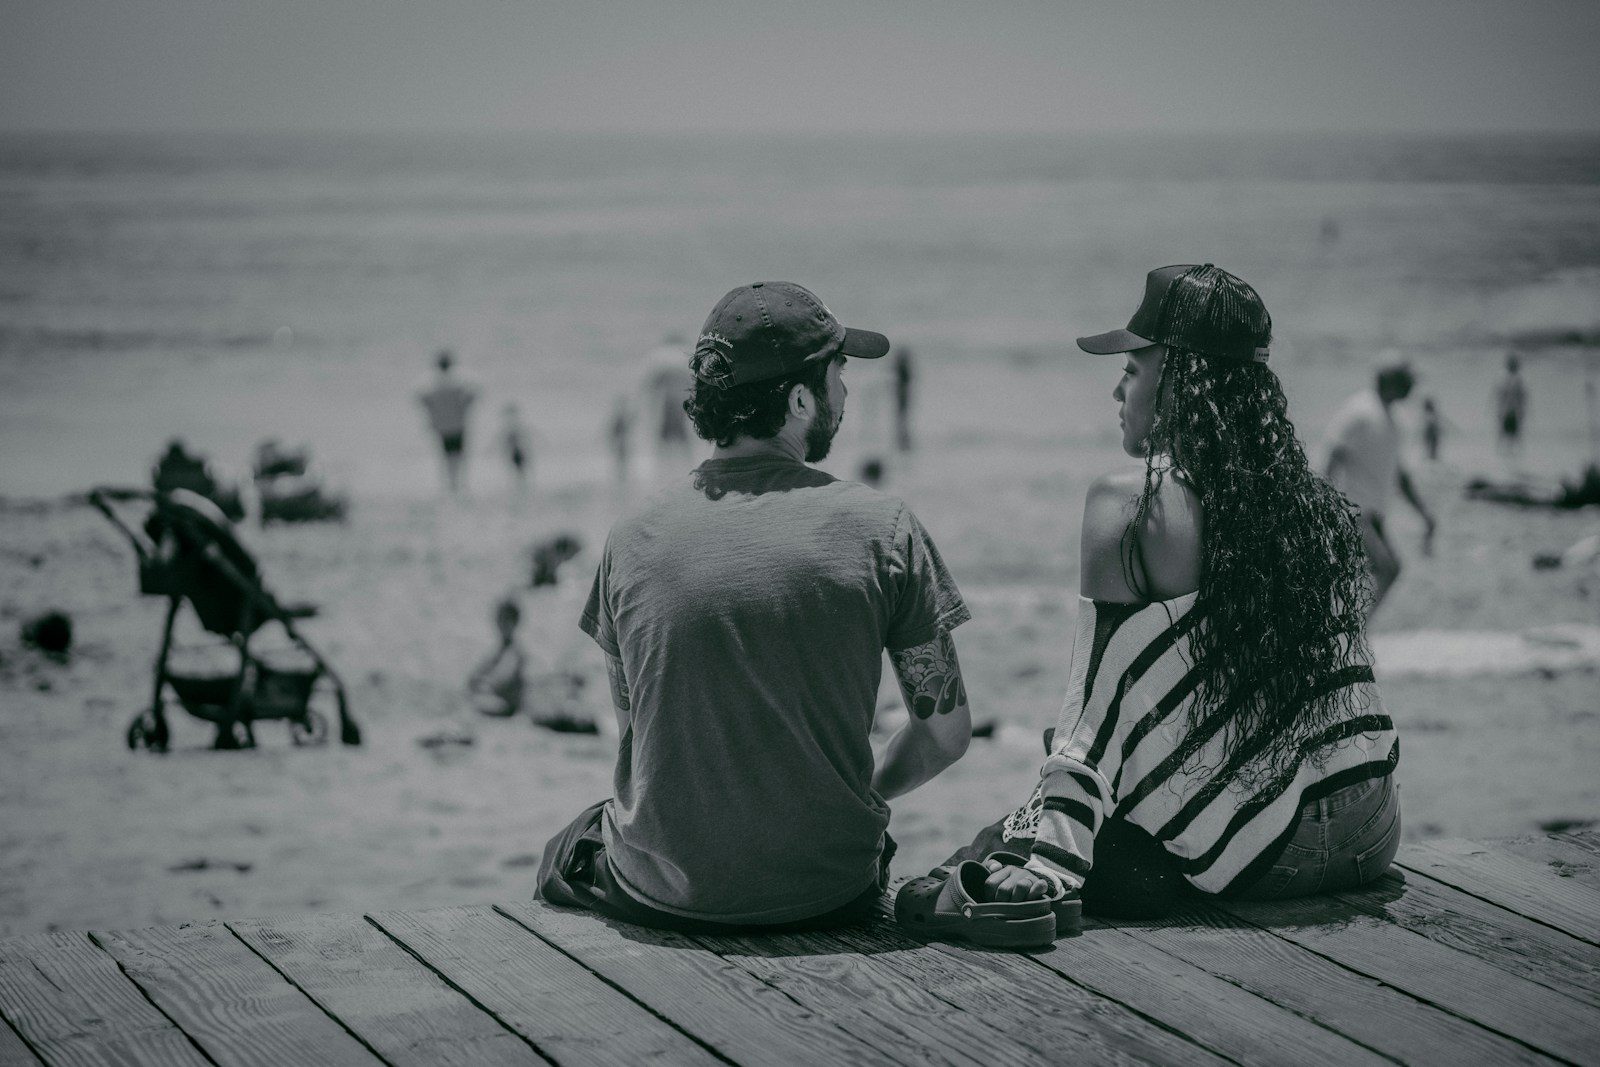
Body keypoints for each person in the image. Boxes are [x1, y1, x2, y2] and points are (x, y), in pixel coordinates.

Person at [912, 264, 1399, 932]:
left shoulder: (1128, 505)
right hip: (1373, 827)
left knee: (1027, 822)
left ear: (1177, 378)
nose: (1118, 389)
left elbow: (1093, 702)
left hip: (1271, 859)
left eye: (1132, 370)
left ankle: (976, 864)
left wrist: (1047, 853)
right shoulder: (1305, 507)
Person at [539, 281, 974, 932]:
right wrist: (848, 792)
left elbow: (638, 735)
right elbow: (946, 732)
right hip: (830, 888)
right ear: (800, 399)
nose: (847, 393)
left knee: (562, 853)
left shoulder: (630, 536)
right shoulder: (883, 527)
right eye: (838, 374)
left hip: (667, 892)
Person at [1325, 362, 1436, 610]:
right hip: (1354, 511)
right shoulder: (1360, 410)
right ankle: (1354, 633)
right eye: (1406, 380)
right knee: (1386, 570)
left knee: (1370, 573)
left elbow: (1399, 475)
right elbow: (1334, 456)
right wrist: (1327, 507)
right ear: (1390, 381)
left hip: (1374, 514)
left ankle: (1351, 634)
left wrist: (1424, 514)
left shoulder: (1393, 419)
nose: (1411, 386)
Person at [418, 350, 478, 494]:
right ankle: (460, 484)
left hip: (442, 426)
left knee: (446, 456)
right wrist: (464, 410)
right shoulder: (458, 382)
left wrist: (433, 414)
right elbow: (473, 395)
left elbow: (422, 399)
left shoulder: (433, 384)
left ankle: (450, 485)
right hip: (458, 424)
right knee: (459, 455)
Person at [467, 596, 526, 718]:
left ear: (515, 622)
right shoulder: (499, 650)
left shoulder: (514, 652)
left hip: (506, 705)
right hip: (492, 697)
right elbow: (476, 674)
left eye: (506, 620)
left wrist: (483, 684)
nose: (501, 624)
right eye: (500, 619)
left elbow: (502, 678)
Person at [1496, 353, 1528, 457]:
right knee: (1510, 433)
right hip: (1510, 410)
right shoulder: (1515, 378)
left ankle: (1505, 452)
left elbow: (1522, 396)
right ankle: (1506, 452)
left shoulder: (1506, 378)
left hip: (1510, 410)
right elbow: (1522, 397)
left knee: (1509, 432)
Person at [503, 403, 531, 492]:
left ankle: (521, 485)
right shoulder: (511, 429)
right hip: (515, 451)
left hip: (518, 451)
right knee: (518, 469)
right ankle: (520, 485)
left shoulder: (515, 428)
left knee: (520, 469)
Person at [893, 346, 916, 451]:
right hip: (903, 396)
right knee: (903, 419)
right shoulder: (904, 369)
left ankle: (902, 441)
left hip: (901, 396)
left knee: (901, 419)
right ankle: (903, 442)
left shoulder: (900, 369)